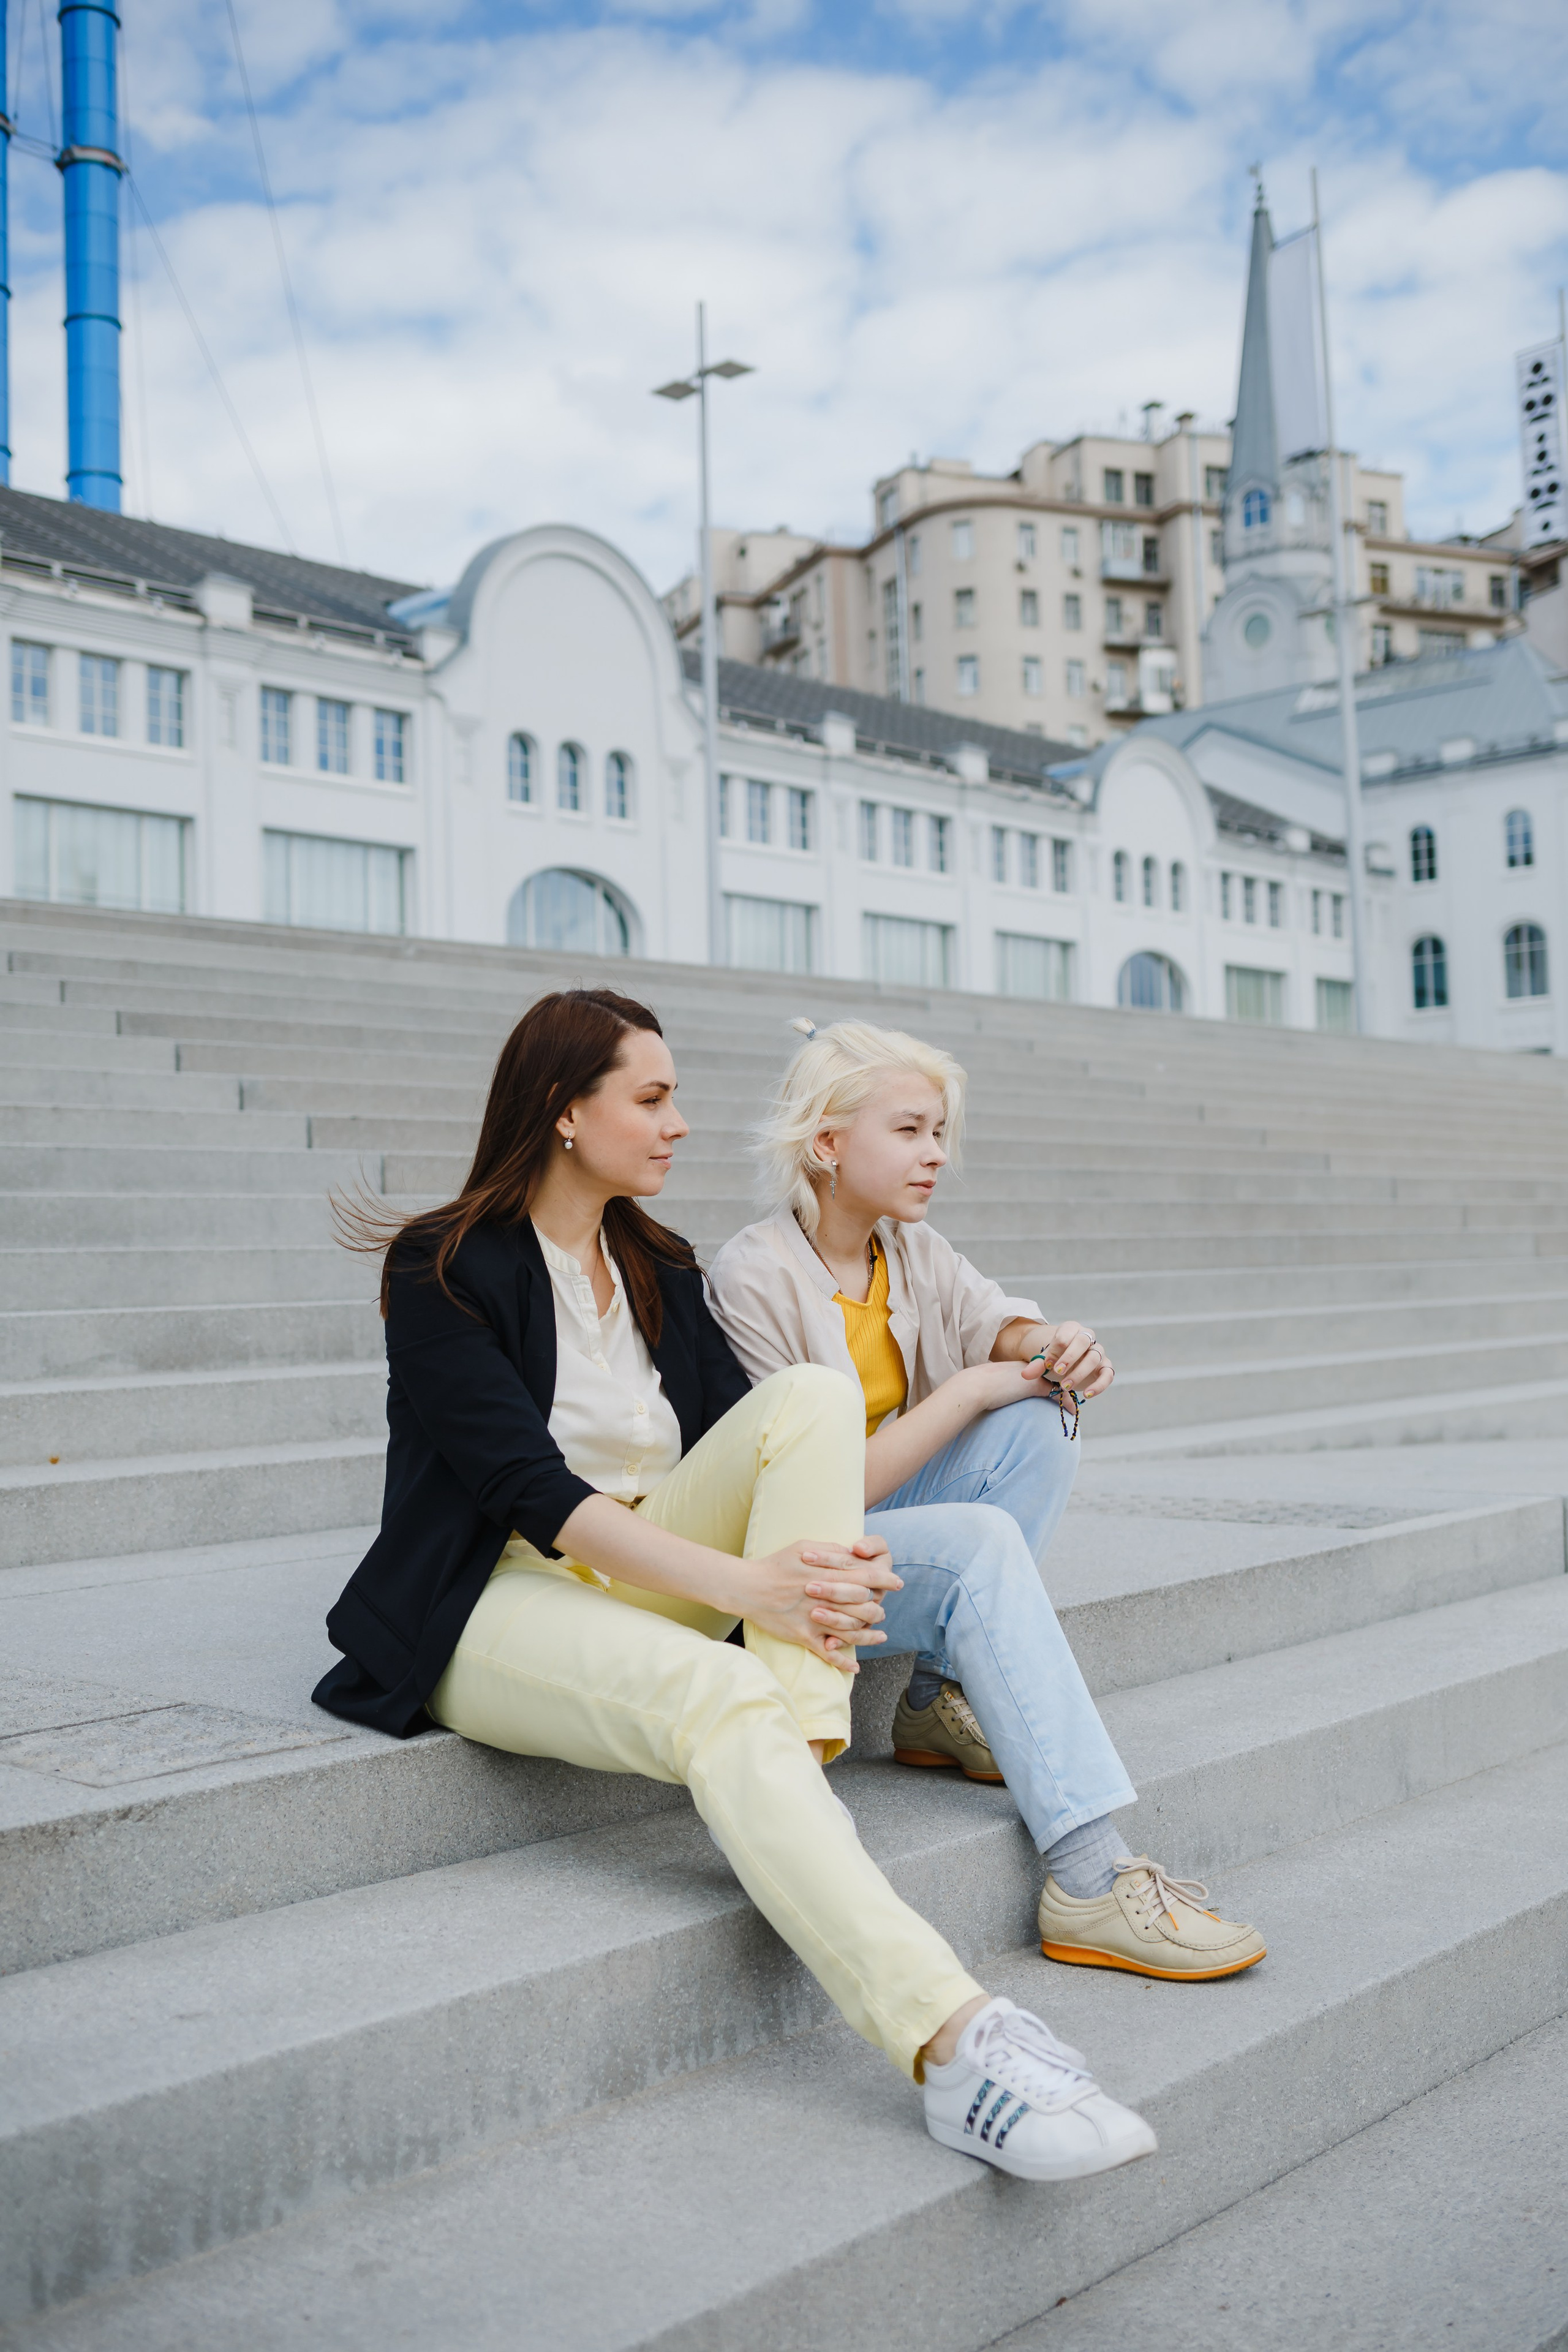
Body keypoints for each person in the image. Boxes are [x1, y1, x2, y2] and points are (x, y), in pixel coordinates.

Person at [314, 987, 1157, 2182]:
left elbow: (767, 1447)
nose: (680, 1126)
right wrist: (754, 1591)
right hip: (498, 1597)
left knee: (807, 1399)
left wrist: (794, 1579)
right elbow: (532, 1495)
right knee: (726, 1703)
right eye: (651, 1100)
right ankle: (956, 2046)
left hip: (670, 1561)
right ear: (563, 1112)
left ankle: (810, 1726)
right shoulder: (446, 1265)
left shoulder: (653, 1261)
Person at [706, 1017, 1266, 1983]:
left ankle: (932, 1698)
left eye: (941, 1133)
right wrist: (968, 1389)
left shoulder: (910, 1252)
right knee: (973, 1542)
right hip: (805, 1568)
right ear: (828, 1144)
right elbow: (817, 1492)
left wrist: (1050, 1344)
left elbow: (994, 1318)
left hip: (877, 1539)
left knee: (1043, 1416)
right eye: (913, 1131)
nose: (937, 1155)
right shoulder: (751, 1276)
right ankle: (1090, 1876)